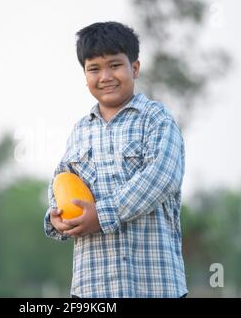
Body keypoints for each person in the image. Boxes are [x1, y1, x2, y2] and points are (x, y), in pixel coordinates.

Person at [43, 21, 187, 298]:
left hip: (155, 286)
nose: (105, 76)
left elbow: (161, 178)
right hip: (93, 289)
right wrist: (56, 217)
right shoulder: (80, 131)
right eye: (94, 68)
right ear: (85, 76)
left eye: (115, 65)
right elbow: (60, 182)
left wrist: (102, 215)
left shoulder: (157, 119)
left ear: (134, 67)